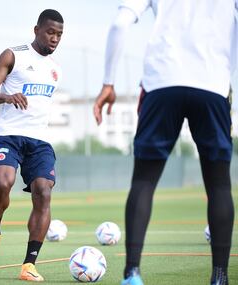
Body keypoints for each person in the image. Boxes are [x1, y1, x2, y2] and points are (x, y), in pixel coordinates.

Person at [93, 1, 237, 285]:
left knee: (144, 181)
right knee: (219, 184)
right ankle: (219, 277)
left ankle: (132, 274)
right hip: (212, 85)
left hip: (161, 83)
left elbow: (119, 23)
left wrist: (108, 82)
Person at [0, 9, 63, 282]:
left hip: (40, 142)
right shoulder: (13, 55)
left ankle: (29, 265)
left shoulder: (55, 70)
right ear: (36, 29)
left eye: (59, 34)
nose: (54, 38)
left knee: (43, 192)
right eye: (50, 32)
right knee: (3, 182)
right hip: (9, 136)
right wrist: (6, 97)